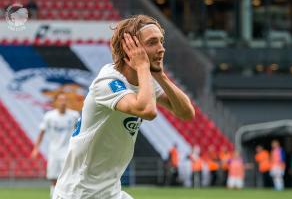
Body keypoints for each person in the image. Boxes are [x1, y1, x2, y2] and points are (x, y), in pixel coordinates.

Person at [53, 14, 195, 199]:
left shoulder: (144, 81)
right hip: (79, 192)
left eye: (161, 41)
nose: (161, 48)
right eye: (152, 42)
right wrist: (144, 67)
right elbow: (147, 111)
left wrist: (160, 75)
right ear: (131, 48)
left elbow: (186, 113)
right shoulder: (107, 82)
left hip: (110, 192)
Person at [31, 93, 80, 198]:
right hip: (54, 152)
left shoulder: (74, 115)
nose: (63, 102)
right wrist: (35, 149)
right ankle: (53, 196)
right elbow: (41, 133)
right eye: (60, 100)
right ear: (56, 102)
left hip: (68, 152)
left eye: (65, 100)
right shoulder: (49, 116)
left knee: (68, 179)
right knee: (53, 178)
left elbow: (80, 132)